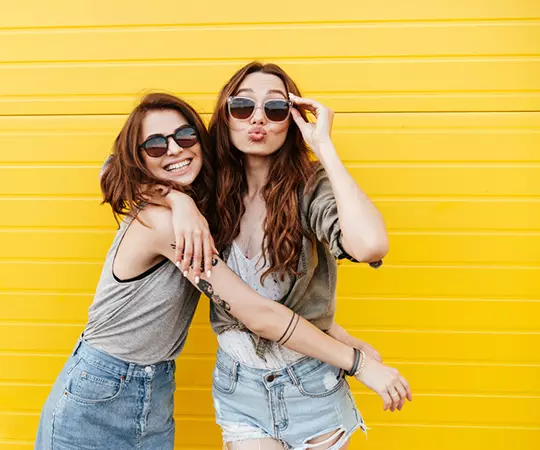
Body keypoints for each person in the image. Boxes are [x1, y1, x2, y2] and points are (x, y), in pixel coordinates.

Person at [34, 92, 410, 450]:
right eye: (155, 145)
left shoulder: (202, 202)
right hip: (101, 388)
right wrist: (357, 363)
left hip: (153, 385)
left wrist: (179, 199)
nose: (175, 149)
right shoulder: (164, 224)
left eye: (185, 136)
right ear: (140, 158)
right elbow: (258, 314)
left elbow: (113, 171)